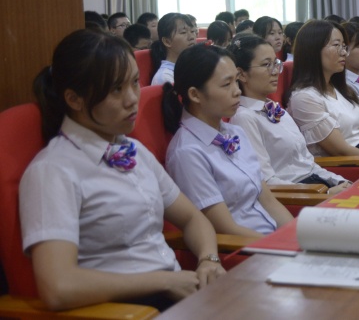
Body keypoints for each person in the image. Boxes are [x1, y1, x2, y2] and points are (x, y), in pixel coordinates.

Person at [20, 29, 224, 312]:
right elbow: (59, 287)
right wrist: (163, 281)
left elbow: (192, 218)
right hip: (122, 309)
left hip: (175, 293)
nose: (132, 99)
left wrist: (208, 260)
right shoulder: (53, 170)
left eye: (134, 82)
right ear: (74, 99)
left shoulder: (133, 149)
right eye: (116, 89)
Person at [163, 44, 293, 237]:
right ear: (195, 94)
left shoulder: (235, 132)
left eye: (236, 81)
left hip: (271, 236)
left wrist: (295, 236)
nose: (237, 91)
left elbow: (268, 201)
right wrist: (282, 244)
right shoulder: (187, 152)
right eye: (226, 84)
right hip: (247, 247)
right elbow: (226, 229)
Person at [228, 34, 351, 194]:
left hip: (315, 185)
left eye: (276, 64)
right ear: (242, 74)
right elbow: (266, 181)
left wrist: (338, 181)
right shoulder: (244, 118)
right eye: (266, 65)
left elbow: (308, 163)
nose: (275, 72)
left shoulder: (276, 109)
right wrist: (324, 193)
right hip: (296, 195)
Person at [287, 20, 359, 165]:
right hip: (353, 165)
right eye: (336, 45)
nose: (344, 52)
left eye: (344, 46)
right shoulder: (304, 97)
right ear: (313, 50)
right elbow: (341, 150)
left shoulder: (343, 89)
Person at [151, 13, 196, 85]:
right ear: (167, 41)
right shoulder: (165, 77)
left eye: (192, 31)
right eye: (183, 32)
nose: (192, 37)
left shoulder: (193, 67)